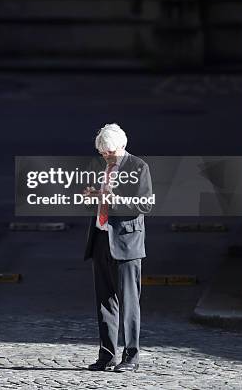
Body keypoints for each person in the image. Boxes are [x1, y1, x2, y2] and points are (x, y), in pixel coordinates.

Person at [83, 123, 153, 373]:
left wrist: (116, 200)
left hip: (126, 243)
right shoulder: (100, 166)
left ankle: (131, 356)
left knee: (129, 303)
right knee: (104, 302)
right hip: (101, 238)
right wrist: (92, 197)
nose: (106, 157)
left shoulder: (138, 167)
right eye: (102, 153)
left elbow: (144, 204)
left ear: (122, 147)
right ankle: (107, 355)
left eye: (109, 153)